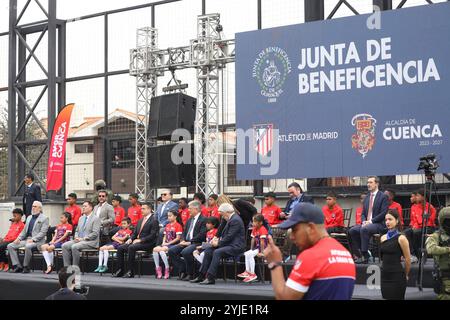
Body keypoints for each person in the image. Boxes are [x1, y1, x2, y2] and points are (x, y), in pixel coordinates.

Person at [264, 203, 356, 300]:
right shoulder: (346, 254)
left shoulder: (311, 256)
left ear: (311, 228)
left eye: (295, 230)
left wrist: (275, 264)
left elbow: (285, 298)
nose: (291, 236)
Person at [191, 203, 246, 285]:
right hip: (228, 244)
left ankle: (210, 277)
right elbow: (224, 232)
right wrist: (215, 241)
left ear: (227, 212)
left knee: (217, 252)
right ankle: (201, 275)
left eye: (222, 214)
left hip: (236, 246)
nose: (222, 216)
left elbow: (229, 236)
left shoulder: (235, 220)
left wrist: (218, 243)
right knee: (209, 251)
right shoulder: (230, 218)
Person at [113, 202, 159, 278]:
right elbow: (135, 233)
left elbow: (153, 235)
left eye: (143, 209)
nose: (141, 210)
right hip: (137, 242)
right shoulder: (140, 220)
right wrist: (130, 239)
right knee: (121, 248)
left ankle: (130, 271)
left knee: (131, 247)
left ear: (149, 209)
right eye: (141, 208)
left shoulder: (154, 220)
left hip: (148, 243)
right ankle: (120, 270)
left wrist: (141, 240)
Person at [349, 176, 389, 263]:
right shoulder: (367, 197)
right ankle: (362, 253)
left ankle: (365, 255)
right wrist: (364, 221)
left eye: (370, 182)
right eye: (367, 182)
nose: (368, 184)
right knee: (352, 230)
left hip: (379, 224)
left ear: (377, 184)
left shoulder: (383, 196)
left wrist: (370, 221)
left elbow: (384, 213)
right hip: (367, 224)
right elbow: (363, 213)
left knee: (364, 229)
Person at [168, 201, 207, 281]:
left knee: (185, 252)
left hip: (197, 243)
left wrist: (190, 242)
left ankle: (191, 273)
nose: (188, 210)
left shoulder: (204, 220)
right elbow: (184, 232)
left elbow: (202, 234)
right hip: (186, 242)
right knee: (171, 251)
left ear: (196, 209)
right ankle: (183, 269)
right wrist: (182, 240)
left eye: (190, 208)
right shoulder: (189, 220)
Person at [8, 201, 49, 273]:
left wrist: (33, 239)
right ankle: (17, 265)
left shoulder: (45, 218)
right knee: (10, 246)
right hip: (27, 239)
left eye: (35, 206)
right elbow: (24, 231)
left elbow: (43, 233)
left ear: (40, 208)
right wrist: (19, 238)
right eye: (32, 206)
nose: (33, 208)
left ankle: (26, 266)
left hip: (38, 241)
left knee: (28, 246)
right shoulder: (29, 217)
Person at [380, 209, 411, 300]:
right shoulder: (383, 237)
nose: (387, 222)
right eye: (386, 220)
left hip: (397, 275)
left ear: (397, 220)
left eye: (390, 219)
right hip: (385, 275)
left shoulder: (402, 238)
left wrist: (406, 274)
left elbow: (408, 259)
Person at [62, 201, 101, 267]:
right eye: (83, 206)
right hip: (79, 240)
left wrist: (83, 239)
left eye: (85, 206)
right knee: (64, 246)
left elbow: (95, 233)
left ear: (91, 208)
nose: (83, 208)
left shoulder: (96, 218)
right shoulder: (81, 218)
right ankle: (66, 267)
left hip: (90, 241)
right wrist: (76, 237)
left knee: (74, 247)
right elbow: (77, 230)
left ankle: (75, 268)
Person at [404, 189, 437, 263]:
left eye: (418, 196)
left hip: (428, 227)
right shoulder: (414, 206)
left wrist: (419, 224)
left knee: (415, 233)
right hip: (418, 227)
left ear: (423, 197)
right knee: (405, 233)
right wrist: (413, 226)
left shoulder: (429, 207)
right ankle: (412, 254)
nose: (416, 197)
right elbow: (414, 219)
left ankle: (418, 255)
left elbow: (430, 220)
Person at [426, 207, 450, 300]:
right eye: (447, 221)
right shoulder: (436, 236)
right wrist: (448, 249)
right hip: (445, 276)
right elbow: (431, 249)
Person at [153, 210, 184, 279]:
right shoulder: (167, 225)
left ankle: (167, 269)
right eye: (168, 216)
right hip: (166, 244)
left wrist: (168, 243)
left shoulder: (178, 225)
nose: (168, 217)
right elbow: (165, 236)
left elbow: (178, 238)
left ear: (175, 217)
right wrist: (164, 242)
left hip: (173, 245)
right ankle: (158, 269)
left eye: (170, 216)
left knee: (162, 250)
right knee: (155, 249)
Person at [238, 214, 268, 283]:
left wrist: (262, 252)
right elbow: (253, 239)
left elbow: (262, 242)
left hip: (264, 248)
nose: (253, 223)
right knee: (247, 253)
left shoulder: (262, 229)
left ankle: (252, 273)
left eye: (255, 222)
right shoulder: (254, 229)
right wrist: (251, 249)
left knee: (250, 255)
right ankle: (247, 271)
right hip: (258, 247)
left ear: (260, 223)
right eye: (253, 221)